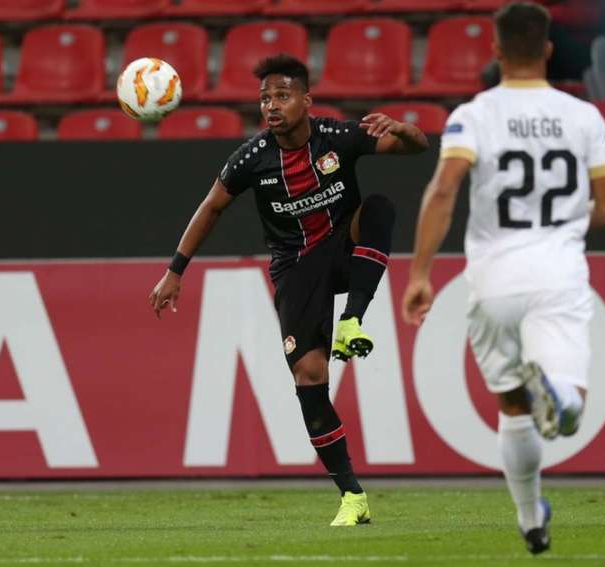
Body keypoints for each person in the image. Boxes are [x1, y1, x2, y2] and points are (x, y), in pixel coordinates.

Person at [150, 54, 428, 526]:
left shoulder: (338, 137)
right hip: (295, 270)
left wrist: (401, 127)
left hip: (344, 250)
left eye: (282, 95)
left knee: (378, 207)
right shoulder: (252, 157)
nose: (271, 106)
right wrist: (175, 269)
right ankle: (352, 497)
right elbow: (211, 207)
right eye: (264, 98)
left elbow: (418, 147)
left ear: (306, 100)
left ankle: (353, 320)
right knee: (310, 378)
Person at [402, 2, 605, 554]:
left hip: (494, 280)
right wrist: (568, 222)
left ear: (496, 51)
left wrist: (420, 273)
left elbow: (445, 189)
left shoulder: (472, 116)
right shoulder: (584, 117)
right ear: (547, 50)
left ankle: (530, 521)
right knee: (565, 396)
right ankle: (566, 402)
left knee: (513, 404)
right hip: (558, 275)